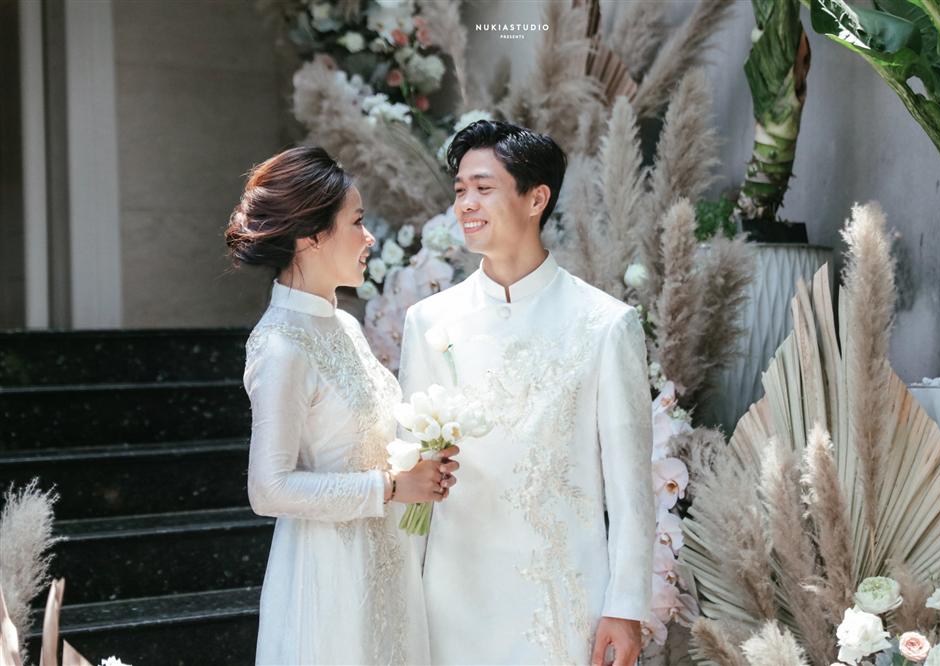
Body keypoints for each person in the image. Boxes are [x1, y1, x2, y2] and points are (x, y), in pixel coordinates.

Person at [399, 121, 654, 666]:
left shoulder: (605, 325)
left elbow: (631, 487)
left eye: (483, 188)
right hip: (453, 595)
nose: (466, 203)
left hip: (562, 595)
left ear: (536, 197)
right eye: (460, 190)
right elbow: (413, 467)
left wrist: (626, 606)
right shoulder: (429, 322)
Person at [225, 146, 458, 665]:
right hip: (328, 574)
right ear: (310, 235)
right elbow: (269, 487)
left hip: (386, 561)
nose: (369, 237)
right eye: (357, 222)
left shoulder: (345, 325)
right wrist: (393, 486)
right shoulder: (280, 344)